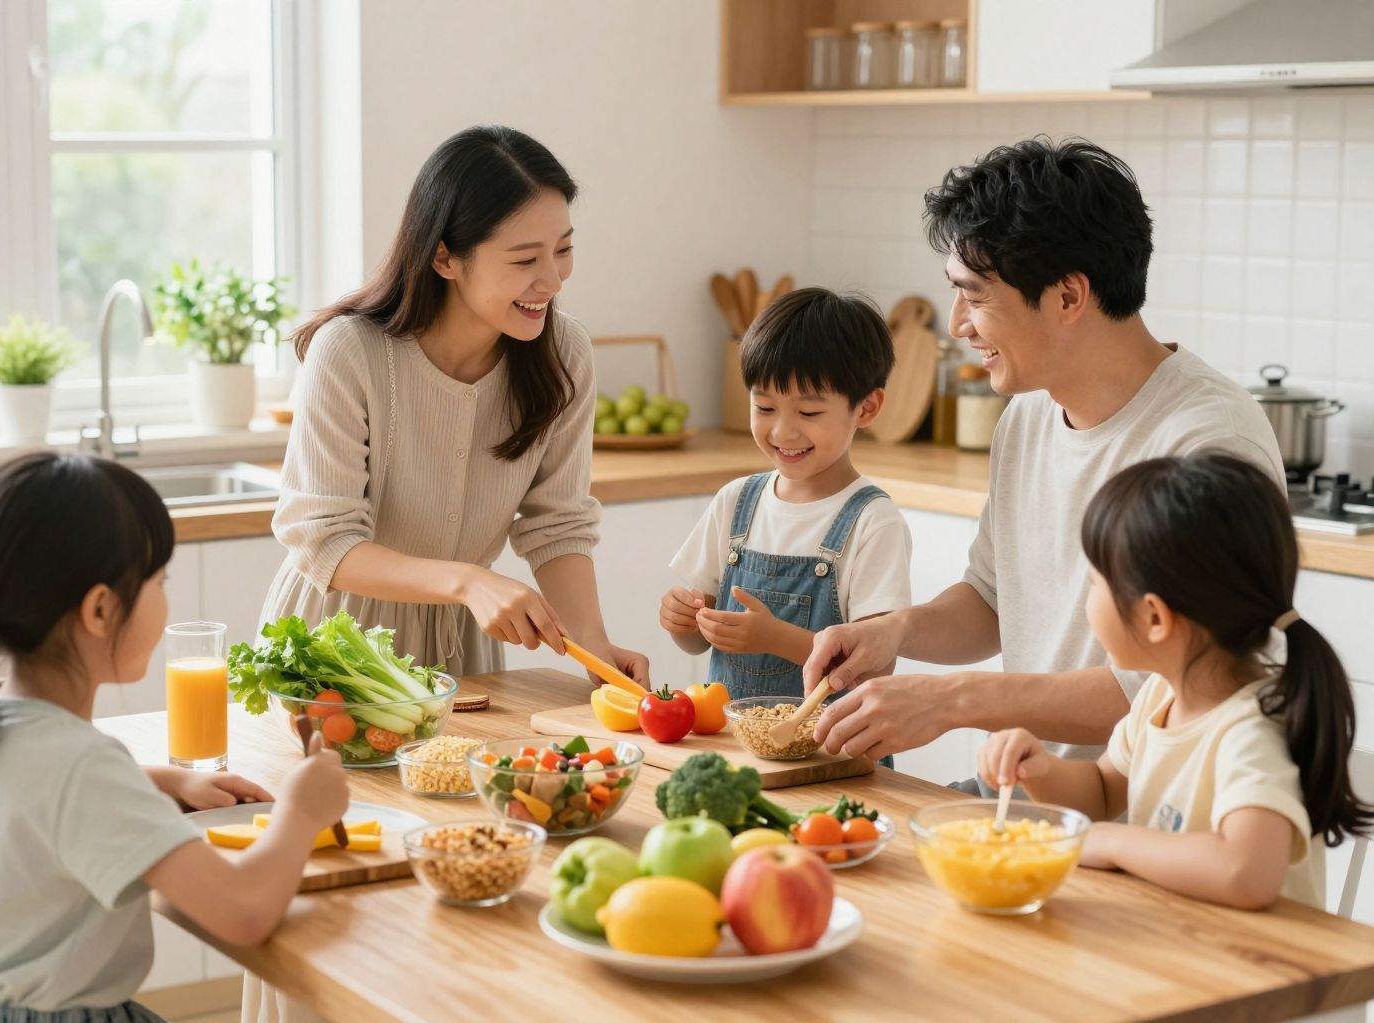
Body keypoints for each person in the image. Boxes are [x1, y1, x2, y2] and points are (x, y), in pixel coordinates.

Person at [804, 138, 1283, 783]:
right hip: (1030, 796)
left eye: (975, 297)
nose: (956, 325)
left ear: (1067, 297)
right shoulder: (1029, 413)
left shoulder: (1208, 443)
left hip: (1147, 824)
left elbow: (1173, 687)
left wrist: (953, 702)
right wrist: (897, 630)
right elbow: (993, 601)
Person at [0, 452, 349, 1023]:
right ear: (99, 608)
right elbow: (244, 913)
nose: (165, 597)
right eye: (158, 580)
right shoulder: (82, 767)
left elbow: (43, 798)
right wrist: (300, 810)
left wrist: (163, 780)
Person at [268, 124, 645, 684]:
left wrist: (595, 650)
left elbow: (557, 524)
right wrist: (469, 582)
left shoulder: (565, 352)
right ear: (445, 258)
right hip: (336, 650)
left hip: (458, 653)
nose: (552, 280)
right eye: (523, 261)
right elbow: (324, 540)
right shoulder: (351, 351)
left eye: (563, 250)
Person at [980, 453, 1372, 908]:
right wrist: (1040, 767)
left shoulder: (1252, 730)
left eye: (1094, 583)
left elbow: (1247, 872)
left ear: (1154, 617)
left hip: (1257, 967)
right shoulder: (1161, 696)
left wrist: (1110, 844)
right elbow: (1102, 791)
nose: (1088, 601)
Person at [661, 288, 911, 706]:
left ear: (866, 409)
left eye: (809, 413)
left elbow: (875, 666)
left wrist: (775, 638)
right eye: (764, 407)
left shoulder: (873, 521)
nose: (782, 432)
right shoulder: (735, 501)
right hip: (737, 749)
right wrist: (681, 621)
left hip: (835, 756)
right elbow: (695, 642)